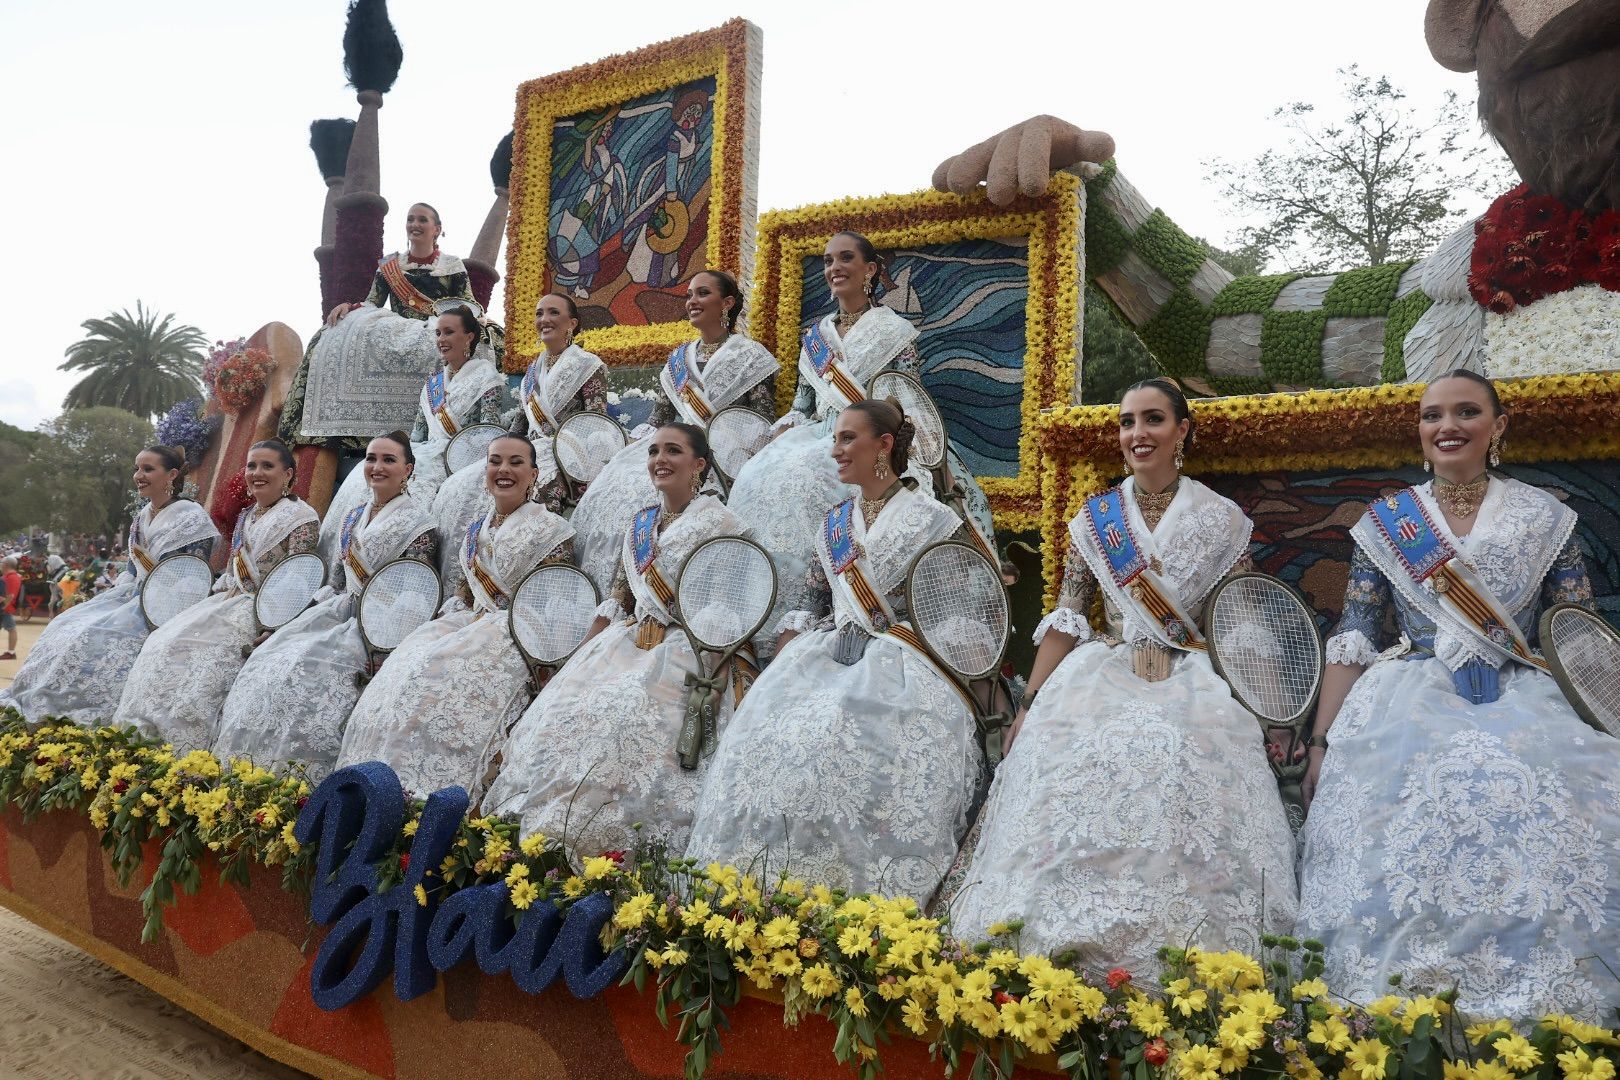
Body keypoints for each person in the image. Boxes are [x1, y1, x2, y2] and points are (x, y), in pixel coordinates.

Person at [1298, 370, 1620, 1019]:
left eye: (1466, 411)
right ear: (1420, 431)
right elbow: (1356, 631)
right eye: (1433, 415)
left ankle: (1552, 1008)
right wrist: (1321, 743)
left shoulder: (1544, 516)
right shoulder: (1389, 522)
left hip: (1529, 695)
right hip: (1406, 699)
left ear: (1497, 427)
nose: (1447, 426)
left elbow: (1580, 633)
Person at [948, 378, 1297, 976]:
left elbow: (1238, 624)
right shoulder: (1096, 519)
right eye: (1128, 422)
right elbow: (1068, 612)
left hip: (1192, 675)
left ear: (1182, 430)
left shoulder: (1221, 520)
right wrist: (1029, 707)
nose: (1138, 434)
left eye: (1153, 420)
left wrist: (1272, 714)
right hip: (1102, 672)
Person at [685, 400, 984, 903]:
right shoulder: (834, 523)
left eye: (848, 439)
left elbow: (957, 611)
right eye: (836, 438)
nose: (836, 449)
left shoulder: (935, 520)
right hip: (825, 655)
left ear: (884, 445)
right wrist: (781, 666)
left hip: (903, 666)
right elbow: (816, 602)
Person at [486, 422, 753, 859]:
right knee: (570, 713)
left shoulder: (724, 525)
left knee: (627, 721)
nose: (659, 460)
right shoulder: (640, 524)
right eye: (653, 451)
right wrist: (573, 664)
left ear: (700, 465)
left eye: (673, 451)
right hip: (625, 643)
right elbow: (618, 599)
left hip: (689, 651)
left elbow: (733, 609)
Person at [724, 231, 995, 659]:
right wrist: (782, 430)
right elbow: (803, 404)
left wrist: (876, 423)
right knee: (766, 478)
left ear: (869, 270)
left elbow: (907, 395)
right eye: (829, 260)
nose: (834, 268)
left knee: (943, 489)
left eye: (845, 258)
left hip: (876, 433)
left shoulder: (895, 330)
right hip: (818, 433)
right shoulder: (816, 337)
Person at [337, 434, 574, 799]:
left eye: (515, 463)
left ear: (534, 475)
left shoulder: (553, 531)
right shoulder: (475, 529)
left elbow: (552, 604)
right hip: (468, 622)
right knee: (410, 673)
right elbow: (465, 592)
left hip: (515, 633)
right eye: (495, 462)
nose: (504, 470)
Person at [214, 432, 438, 780]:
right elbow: (334, 580)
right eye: (371, 459)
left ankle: (299, 775)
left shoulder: (418, 525)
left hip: (376, 624)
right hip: (337, 610)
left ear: (408, 469)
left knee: (310, 671)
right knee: (272, 659)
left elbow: (414, 592)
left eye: (388, 460)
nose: (377, 467)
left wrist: (380, 646)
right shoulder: (352, 517)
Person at [569, 270, 779, 592]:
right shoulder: (679, 359)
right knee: (619, 490)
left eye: (702, 293)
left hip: (726, 450)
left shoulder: (751, 356)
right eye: (689, 295)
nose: (692, 301)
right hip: (674, 445)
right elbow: (660, 418)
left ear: (727, 303)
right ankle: (619, 595)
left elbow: (761, 416)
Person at [114, 440, 319, 752]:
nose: (257, 473)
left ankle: (187, 742)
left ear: (288, 473)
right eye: (251, 465)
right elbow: (230, 571)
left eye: (267, 466)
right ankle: (145, 736)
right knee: (165, 641)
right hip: (229, 599)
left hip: (265, 609)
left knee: (204, 653)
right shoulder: (246, 516)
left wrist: (275, 625)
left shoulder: (301, 516)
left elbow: (299, 578)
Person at [0, 447, 218, 722]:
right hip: (131, 594)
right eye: (137, 469)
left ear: (172, 475)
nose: (139, 475)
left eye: (148, 469)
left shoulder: (190, 517)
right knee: (64, 625)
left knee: (98, 633)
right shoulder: (141, 516)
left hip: (165, 603)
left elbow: (192, 574)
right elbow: (131, 567)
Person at [281, 203, 498, 448]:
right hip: (399, 326)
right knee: (336, 332)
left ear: (436, 229)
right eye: (411, 219)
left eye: (422, 220)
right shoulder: (389, 265)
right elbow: (372, 302)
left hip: (439, 326)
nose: (415, 224)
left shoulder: (452, 265)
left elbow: (467, 303)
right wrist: (349, 308)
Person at [430, 292, 605, 593]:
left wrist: (570, 453)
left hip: (567, 450)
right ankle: (472, 580)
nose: (544, 320)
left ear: (572, 323)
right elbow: (523, 422)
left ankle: (527, 575)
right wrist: (504, 445)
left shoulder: (588, 365)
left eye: (553, 313)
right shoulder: (532, 373)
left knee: (541, 482)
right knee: (465, 484)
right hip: (531, 449)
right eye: (539, 313)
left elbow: (596, 421)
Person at [316, 304, 504, 568]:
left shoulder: (487, 377)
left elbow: (489, 433)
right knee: (365, 474)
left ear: (469, 337)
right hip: (426, 451)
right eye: (438, 333)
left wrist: (458, 457)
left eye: (449, 332)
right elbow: (418, 433)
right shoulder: (433, 383)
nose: (441, 340)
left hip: (462, 459)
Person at [0, 555, 21, 661]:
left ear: (6, 565)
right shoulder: (10, 576)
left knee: (11, 629)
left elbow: (10, 595)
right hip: (5, 608)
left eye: (1, 563)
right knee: (11, 629)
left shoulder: (11, 577)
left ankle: (11, 652)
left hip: (4, 608)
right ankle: (11, 652)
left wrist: (3, 608)